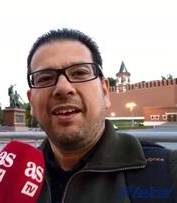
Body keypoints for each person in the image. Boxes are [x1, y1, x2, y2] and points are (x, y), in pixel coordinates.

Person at [26, 28, 177, 202]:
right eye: (45, 78)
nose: (63, 88)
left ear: (105, 92)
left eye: (79, 73)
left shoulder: (166, 171)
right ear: (31, 101)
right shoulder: (15, 177)